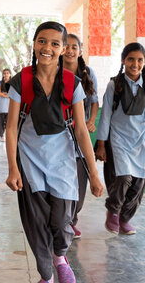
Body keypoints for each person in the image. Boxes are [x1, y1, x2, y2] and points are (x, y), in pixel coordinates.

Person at [5, 21, 104, 283]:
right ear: (34, 44)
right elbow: (12, 128)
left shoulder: (73, 83)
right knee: (36, 223)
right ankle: (46, 275)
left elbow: (82, 131)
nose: (47, 47)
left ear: (63, 49)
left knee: (61, 222)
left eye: (54, 43)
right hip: (29, 160)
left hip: (63, 161)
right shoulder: (21, 80)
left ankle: (60, 255)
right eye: (42, 41)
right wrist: (13, 167)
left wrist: (94, 174)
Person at [95, 42, 145, 235]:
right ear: (123, 61)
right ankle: (113, 211)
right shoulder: (114, 85)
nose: (135, 64)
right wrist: (101, 144)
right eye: (131, 59)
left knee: (140, 181)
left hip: (140, 140)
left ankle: (125, 219)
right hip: (119, 140)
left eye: (140, 60)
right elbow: (106, 115)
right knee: (124, 177)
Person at [62, 33, 98, 239]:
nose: (69, 50)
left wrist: (90, 121)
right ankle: (64, 221)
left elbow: (94, 101)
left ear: (80, 51)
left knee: (80, 182)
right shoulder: (54, 72)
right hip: (60, 133)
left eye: (74, 47)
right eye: (66, 46)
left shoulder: (87, 72)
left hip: (80, 133)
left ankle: (73, 219)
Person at [0, 68, 11, 142]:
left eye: (7, 73)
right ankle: (1, 135)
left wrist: (4, 94)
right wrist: (6, 94)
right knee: (1, 120)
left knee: (9, 121)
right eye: (4, 73)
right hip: (2, 104)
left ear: (10, 74)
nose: (6, 75)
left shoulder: (12, 82)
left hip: (9, 104)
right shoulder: (0, 83)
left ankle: (8, 135)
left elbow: (12, 93)